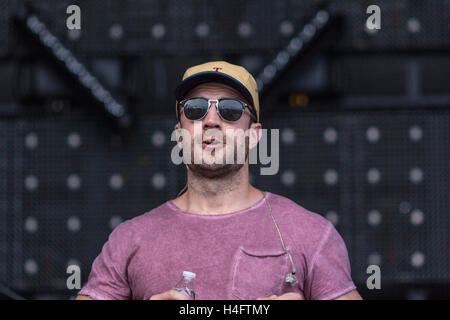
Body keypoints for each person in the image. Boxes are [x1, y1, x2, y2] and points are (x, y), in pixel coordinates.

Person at [76, 61, 362, 300]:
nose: (211, 120)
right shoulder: (129, 240)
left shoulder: (311, 234)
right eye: (195, 108)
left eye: (231, 110)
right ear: (179, 134)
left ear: (254, 135)